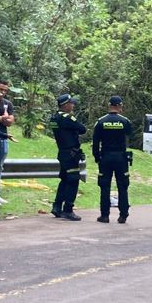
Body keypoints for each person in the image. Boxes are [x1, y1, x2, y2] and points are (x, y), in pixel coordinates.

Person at [92, 96, 133, 224]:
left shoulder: (100, 121)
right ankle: (123, 215)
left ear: (109, 106)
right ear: (119, 106)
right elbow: (130, 134)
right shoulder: (125, 121)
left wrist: (97, 157)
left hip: (106, 157)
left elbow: (95, 142)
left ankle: (104, 216)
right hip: (121, 157)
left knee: (104, 186)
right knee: (123, 186)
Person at [49, 93, 86, 221]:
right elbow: (82, 129)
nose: (73, 105)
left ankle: (57, 206)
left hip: (62, 152)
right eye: (71, 103)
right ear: (65, 105)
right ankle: (68, 209)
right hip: (71, 153)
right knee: (73, 179)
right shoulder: (67, 118)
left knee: (64, 179)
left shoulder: (54, 118)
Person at [0, 80, 16, 207]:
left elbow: (10, 121)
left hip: (4, 136)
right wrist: (1, 118)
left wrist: (2, 119)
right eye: (1, 89)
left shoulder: (7, 104)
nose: (3, 92)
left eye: (5, 90)